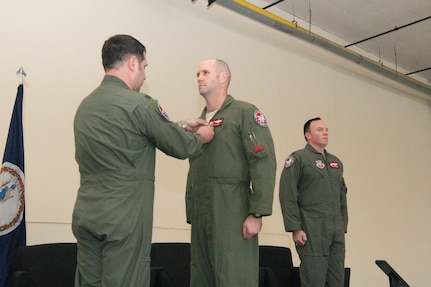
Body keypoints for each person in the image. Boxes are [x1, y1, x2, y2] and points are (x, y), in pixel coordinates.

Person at [72, 34, 214, 287]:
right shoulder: (139, 104)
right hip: (124, 218)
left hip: (86, 214)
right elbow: (179, 146)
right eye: (145, 67)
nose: (145, 75)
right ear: (133, 63)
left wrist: (180, 124)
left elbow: (134, 131)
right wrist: (200, 137)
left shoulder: (86, 106)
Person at [185, 58, 277, 287]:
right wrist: (192, 211)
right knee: (201, 276)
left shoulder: (244, 112)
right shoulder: (199, 122)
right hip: (202, 212)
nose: (199, 77)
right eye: (197, 73)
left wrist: (257, 213)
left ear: (223, 77)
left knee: (234, 275)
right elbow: (195, 169)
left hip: (232, 208)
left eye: (205, 72)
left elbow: (263, 161)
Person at [279, 117, 348, 287]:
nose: (325, 133)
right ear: (307, 135)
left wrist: (342, 224)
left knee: (337, 279)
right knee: (314, 279)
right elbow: (287, 194)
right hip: (312, 229)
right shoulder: (298, 159)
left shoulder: (335, 163)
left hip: (335, 231)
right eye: (319, 130)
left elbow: (342, 196)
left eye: (326, 129)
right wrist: (295, 227)